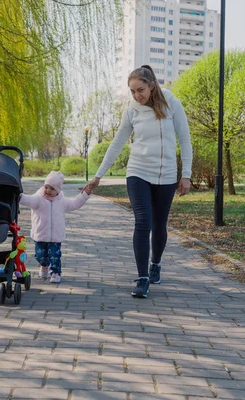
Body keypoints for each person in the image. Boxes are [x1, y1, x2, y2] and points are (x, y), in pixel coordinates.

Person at [83, 65, 192, 299]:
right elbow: (117, 143)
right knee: (143, 222)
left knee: (160, 225)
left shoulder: (172, 103)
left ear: (152, 86)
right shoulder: (132, 110)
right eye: (132, 91)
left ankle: (156, 264)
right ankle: (142, 278)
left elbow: (185, 139)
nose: (136, 96)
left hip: (166, 174)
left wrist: (187, 174)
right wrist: (98, 176)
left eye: (140, 90)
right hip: (138, 171)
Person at [20, 171, 91, 284]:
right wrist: (19, 196)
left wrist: (84, 195)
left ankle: (56, 272)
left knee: (55, 256)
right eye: (46, 187)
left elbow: (75, 203)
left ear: (57, 190)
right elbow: (28, 200)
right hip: (40, 235)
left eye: (51, 189)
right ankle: (44, 265)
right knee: (40, 256)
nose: (48, 190)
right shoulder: (38, 199)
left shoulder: (62, 201)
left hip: (56, 236)